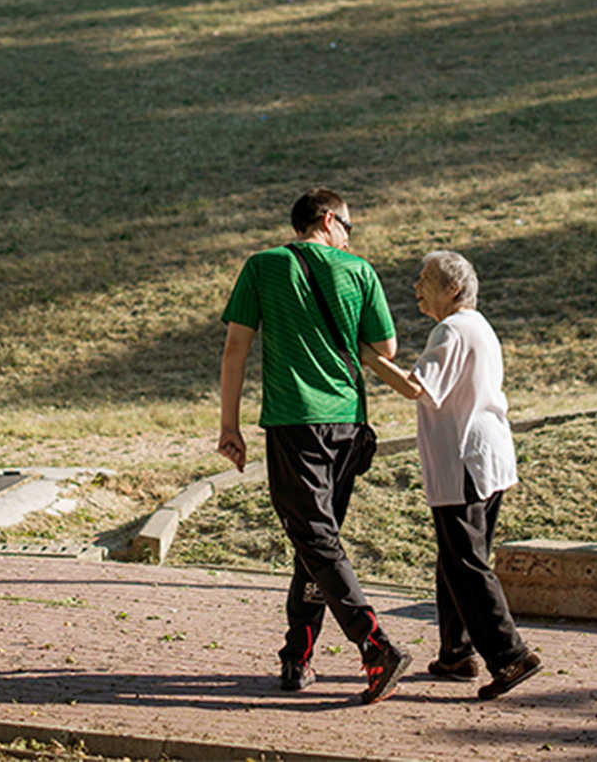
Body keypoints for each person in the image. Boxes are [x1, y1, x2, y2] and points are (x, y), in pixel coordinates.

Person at [218, 187, 412, 704]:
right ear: (328, 221)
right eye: (348, 227)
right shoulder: (359, 271)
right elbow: (386, 347)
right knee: (316, 542)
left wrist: (229, 426)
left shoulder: (262, 267)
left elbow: (236, 349)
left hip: (293, 424)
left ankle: (374, 645)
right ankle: (297, 656)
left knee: (315, 540)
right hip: (348, 426)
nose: (349, 237)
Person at [360, 250, 542, 701]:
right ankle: (456, 652)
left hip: (463, 458)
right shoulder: (478, 326)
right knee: (456, 558)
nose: (416, 287)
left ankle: (510, 655)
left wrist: (365, 354)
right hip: (488, 455)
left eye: (426, 279)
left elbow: (417, 388)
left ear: (453, 290)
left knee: (465, 563)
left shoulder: (452, 328)